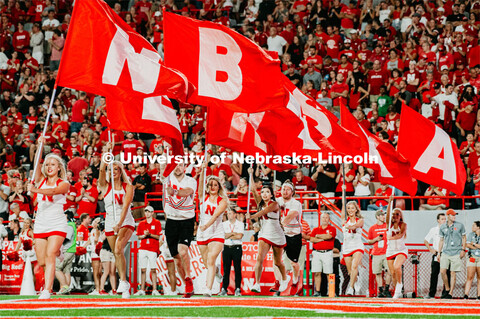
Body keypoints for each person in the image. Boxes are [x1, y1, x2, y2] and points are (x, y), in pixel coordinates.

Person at [28, 141, 70, 299]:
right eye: (47, 165)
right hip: (40, 222)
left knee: (50, 254)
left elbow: (52, 191)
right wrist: (40, 146)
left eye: (53, 164)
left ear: (59, 167)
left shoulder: (64, 184)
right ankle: (58, 251)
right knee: (42, 260)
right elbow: (36, 161)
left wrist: (34, 190)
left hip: (57, 222)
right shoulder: (40, 179)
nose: (49, 167)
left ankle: (47, 290)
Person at [98, 143, 135, 298]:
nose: (112, 172)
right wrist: (105, 153)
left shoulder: (128, 186)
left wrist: (120, 223)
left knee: (119, 249)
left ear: (120, 172)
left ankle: (123, 282)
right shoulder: (105, 186)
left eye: (116, 169)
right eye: (110, 169)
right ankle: (124, 283)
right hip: (110, 222)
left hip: (125, 221)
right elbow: (100, 170)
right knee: (116, 253)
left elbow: (126, 206)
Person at [246, 169, 289, 294]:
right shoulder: (260, 202)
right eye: (263, 192)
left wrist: (252, 216)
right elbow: (253, 190)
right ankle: (257, 283)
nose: (264, 194)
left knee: (278, 262)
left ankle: (284, 279)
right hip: (264, 233)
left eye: (267, 192)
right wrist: (250, 175)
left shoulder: (275, 204)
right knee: (260, 258)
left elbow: (263, 212)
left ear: (271, 194)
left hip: (277, 234)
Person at [164, 162, 197, 297]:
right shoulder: (167, 178)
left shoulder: (191, 180)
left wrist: (175, 192)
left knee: (182, 250)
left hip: (186, 220)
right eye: (175, 165)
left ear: (185, 167)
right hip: (171, 220)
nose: (177, 168)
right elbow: (162, 169)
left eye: (180, 165)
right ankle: (187, 285)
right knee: (176, 259)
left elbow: (188, 192)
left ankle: (188, 277)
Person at [197, 170, 228, 297]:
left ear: (219, 186)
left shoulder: (223, 201)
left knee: (210, 259)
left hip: (216, 232)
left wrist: (206, 225)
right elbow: (199, 187)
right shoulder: (202, 197)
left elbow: (215, 216)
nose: (213, 187)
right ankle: (216, 272)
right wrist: (203, 170)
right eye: (210, 185)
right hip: (203, 233)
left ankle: (208, 288)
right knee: (207, 263)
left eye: (215, 184)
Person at [276, 180, 303, 295]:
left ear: (292, 192)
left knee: (293, 263)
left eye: (288, 189)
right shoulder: (277, 201)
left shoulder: (296, 203)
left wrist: (280, 224)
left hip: (293, 234)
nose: (285, 191)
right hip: (281, 235)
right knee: (276, 261)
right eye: (283, 189)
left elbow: (291, 215)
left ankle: (295, 279)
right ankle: (281, 282)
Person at [438, 209, 466, 299]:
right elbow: (441, 240)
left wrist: (463, 249)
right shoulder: (442, 227)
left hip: (456, 251)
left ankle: (450, 293)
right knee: (442, 271)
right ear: (448, 216)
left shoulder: (460, 225)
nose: (454, 216)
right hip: (446, 251)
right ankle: (447, 288)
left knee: (453, 272)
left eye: (455, 215)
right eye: (452, 215)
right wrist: (439, 253)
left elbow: (464, 237)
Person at [135, 206, 162, 296]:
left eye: (149, 212)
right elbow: (139, 236)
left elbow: (158, 236)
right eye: (146, 211)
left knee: (153, 269)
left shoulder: (157, 223)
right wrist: (144, 235)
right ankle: (142, 289)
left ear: (152, 213)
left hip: (152, 248)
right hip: (143, 248)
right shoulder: (141, 223)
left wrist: (149, 234)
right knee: (143, 270)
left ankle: (154, 289)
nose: (147, 213)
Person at [385, 195, 408, 299]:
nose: (394, 216)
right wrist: (390, 203)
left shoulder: (403, 224)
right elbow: (387, 216)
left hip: (401, 250)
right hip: (390, 250)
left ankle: (399, 285)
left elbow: (400, 234)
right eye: (393, 214)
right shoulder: (388, 224)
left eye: (397, 214)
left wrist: (391, 238)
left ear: (400, 216)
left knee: (397, 266)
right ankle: (396, 291)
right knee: (393, 273)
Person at [340, 199, 364, 296]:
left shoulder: (360, 220)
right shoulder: (344, 220)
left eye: (352, 208)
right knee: (350, 272)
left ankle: (351, 288)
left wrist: (348, 226)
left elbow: (356, 226)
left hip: (357, 246)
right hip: (347, 247)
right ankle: (356, 280)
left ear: (356, 210)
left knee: (355, 266)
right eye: (348, 208)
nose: (350, 210)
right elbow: (342, 204)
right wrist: (343, 190)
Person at [310, 212, 336, 297]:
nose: (325, 219)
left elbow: (329, 236)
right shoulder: (315, 229)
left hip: (327, 252)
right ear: (320, 219)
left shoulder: (332, 228)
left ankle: (331, 291)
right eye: (323, 217)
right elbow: (312, 239)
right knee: (317, 272)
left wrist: (318, 236)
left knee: (329, 273)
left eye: (326, 217)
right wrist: (323, 238)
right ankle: (317, 291)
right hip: (317, 252)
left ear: (329, 219)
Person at [219, 209, 244, 297]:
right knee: (226, 269)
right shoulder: (223, 224)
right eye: (228, 214)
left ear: (235, 215)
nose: (228, 215)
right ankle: (224, 289)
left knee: (237, 269)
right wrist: (233, 233)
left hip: (236, 247)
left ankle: (237, 288)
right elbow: (223, 236)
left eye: (230, 213)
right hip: (226, 247)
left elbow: (239, 236)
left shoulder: (240, 224)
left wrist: (229, 234)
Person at [367, 210, 391, 298]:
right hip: (377, 252)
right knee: (377, 272)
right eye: (381, 215)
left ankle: (387, 289)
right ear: (377, 217)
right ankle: (381, 290)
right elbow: (369, 241)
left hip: (387, 252)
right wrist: (376, 239)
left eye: (384, 215)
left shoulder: (387, 226)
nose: (383, 217)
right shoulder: (372, 228)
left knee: (390, 271)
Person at [424, 213, 447, 299]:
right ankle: (431, 293)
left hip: (446, 254)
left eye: (445, 219)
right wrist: (431, 249)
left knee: (446, 274)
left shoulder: (448, 230)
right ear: (438, 220)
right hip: (437, 254)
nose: (444, 221)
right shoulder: (433, 230)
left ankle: (445, 294)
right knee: (434, 274)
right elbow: (426, 240)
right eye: (442, 219)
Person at [55, 211, 77, 295]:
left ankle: (64, 286)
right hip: (71, 250)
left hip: (67, 250)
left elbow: (66, 238)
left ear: (66, 216)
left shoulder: (69, 225)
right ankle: (66, 290)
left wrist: (57, 242)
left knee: (56, 268)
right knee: (66, 271)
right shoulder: (72, 225)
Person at [464, 220, 480, 299]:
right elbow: (467, 244)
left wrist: (473, 244)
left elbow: (470, 244)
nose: (472, 227)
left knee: (479, 277)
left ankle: (479, 295)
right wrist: (476, 246)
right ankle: (466, 295)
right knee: (470, 277)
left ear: (478, 227)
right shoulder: (470, 234)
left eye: (474, 226)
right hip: (472, 256)